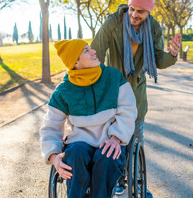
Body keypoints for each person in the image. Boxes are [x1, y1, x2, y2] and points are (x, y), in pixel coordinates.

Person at [90, 0, 181, 197]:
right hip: (111, 91)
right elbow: (96, 54)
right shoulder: (112, 24)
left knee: (135, 139)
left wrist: (173, 55)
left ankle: (137, 182)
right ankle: (116, 181)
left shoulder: (154, 29)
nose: (134, 14)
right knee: (111, 141)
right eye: (131, 9)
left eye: (140, 11)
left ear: (149, 11)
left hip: (136, 95)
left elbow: (159, 60)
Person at [40, 39, 137, 198]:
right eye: (86, 51)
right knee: (74, 154)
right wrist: (54, 156)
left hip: (111, 139)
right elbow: (50, 127)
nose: (94, 52)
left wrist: (116, 138)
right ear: (76, 63)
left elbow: (128, 109)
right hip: (80, 142)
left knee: (107, 156)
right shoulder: (63, 91)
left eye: (90, 49)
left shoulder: (113, 77)